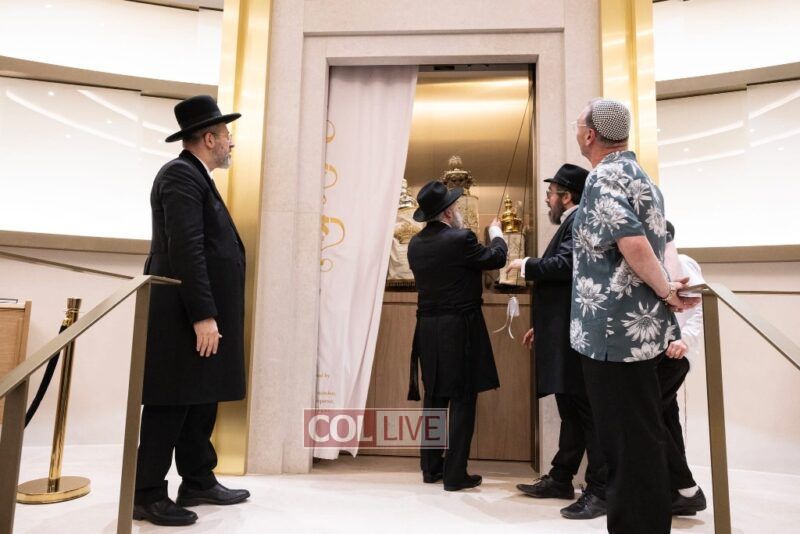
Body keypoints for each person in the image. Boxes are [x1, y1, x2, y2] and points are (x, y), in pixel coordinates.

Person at [570, 98, 700, 534]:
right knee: (642, 437)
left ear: (590, 134)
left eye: (578, 126)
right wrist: (666, 289)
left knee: (625, 445)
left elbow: (633, 243)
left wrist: (667, 291)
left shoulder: (602, 178)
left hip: (613, 335)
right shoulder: (642, 177)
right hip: (639, 333)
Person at [134, 95, 250, 527]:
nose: (231, 142)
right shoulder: (180, 175)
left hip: (199, 311)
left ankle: (198, 479)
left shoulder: (196, 176)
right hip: (182, 314)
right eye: (226, 135)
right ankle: (146, 493)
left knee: (200, 397)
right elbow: (186, 249)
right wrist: (203, 314)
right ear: (209, 138)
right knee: (171, 401)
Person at [507, 164, 607, 520]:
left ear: (566, 196)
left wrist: (525, 264)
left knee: (584, 411)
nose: (547, 200)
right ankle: (561, 478)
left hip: (573, 334)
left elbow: (566, 266)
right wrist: (543, 327)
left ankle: (600, 490)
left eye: (550, 194)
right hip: (562, 331)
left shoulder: (578, 220)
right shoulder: (573, 219)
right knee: (571, 409)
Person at [406, 180, 507, 491]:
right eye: (456, 207)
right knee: (463, 397)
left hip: (427, 328)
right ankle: (455, 474)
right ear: (448, 213)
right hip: (458, 328)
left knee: (435, 396)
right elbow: (496, 258)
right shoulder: (461, 238)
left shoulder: (415, 244)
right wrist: (497, 234)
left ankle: (431, 467)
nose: (459, 211)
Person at [661, 222, 708, 515]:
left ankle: (687, 488)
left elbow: (700, 305)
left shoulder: (683, 262)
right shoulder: (655, 266)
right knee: (666, 418)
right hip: (660, 352)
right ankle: (678, 490)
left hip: (675, 353)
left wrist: (685, 340)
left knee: (648, 414)